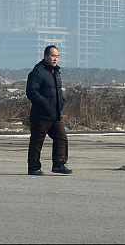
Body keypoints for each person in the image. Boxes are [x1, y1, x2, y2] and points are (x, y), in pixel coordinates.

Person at [25, 45, 72, 175]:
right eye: (52, 56)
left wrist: (61, 101)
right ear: (46, 56)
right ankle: (34, 167)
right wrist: (45, 104)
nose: (55, 59)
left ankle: (59, 164)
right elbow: (31, 92)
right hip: (41, 115)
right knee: (37, 141)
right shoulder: (38, 72)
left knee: (61, 138)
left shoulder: (56, 72)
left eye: (57, 56)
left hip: (55, 114)